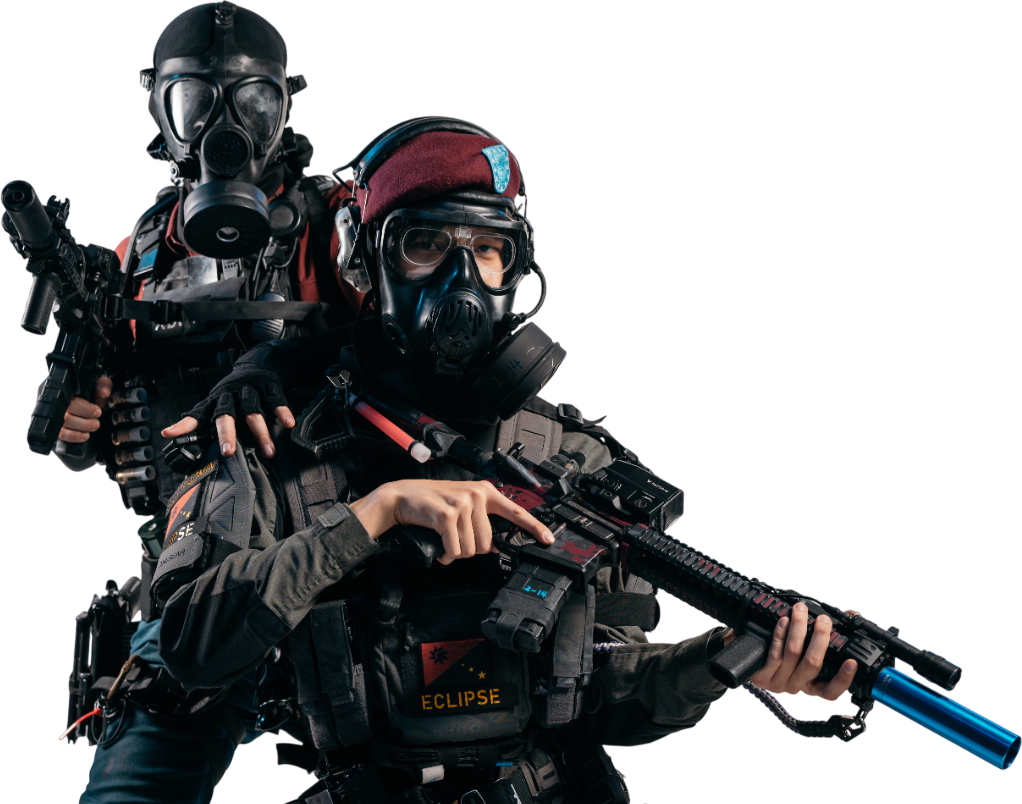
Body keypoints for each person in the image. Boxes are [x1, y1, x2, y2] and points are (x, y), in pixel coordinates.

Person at [154, 117, 862, 803]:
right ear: (368, 262)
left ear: (519, 267)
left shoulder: (573, 459)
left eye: (488, 248)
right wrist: (374, 514)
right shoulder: (278, 437)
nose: (461, 277)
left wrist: (726, 660)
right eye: (424, 243)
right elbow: (189, 646)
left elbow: (609, 692)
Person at [8, 4, 361, 802]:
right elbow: (114, 417)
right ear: (159, 110)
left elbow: (401, 353)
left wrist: (284, 359)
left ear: (286, 106)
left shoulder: (338, 227)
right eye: (195, 102)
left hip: (337, 559)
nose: (224, 129)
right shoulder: (138, 255)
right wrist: (86, 427)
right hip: (199, 575)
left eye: (253, 102)